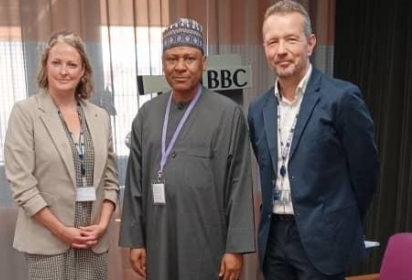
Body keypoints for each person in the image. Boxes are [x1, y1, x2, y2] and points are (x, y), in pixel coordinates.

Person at [247, 1, 379, 279]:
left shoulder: (342, 98)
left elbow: (365, 173)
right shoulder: (258, 109)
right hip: (274, 239)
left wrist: (338, 218)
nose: (281, 50)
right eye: (272, 42)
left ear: (311, 43)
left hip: (325, 237)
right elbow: (267, 168)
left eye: (291, 39)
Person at [119, 18, 255, 280]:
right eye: (172, 59)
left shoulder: (229, 114)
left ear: (203, 63)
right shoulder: (147, 115)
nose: (180, 66)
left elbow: (239, 184)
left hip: (208, 240)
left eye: (189, 58)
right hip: (159, 238)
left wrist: (235, 249)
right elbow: (134, 182)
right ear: (163, 63)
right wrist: (135, 240)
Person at [4, 31, 119, 280]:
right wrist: (62, 231)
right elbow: (22, 185)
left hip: (92, 242)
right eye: (56, 63)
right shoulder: (25, 113)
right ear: (46, 67)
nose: (63, 71)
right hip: (48, 243)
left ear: (83, 72)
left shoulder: (100, 117)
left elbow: (111, 181)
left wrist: (102, 225)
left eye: (72, 64)